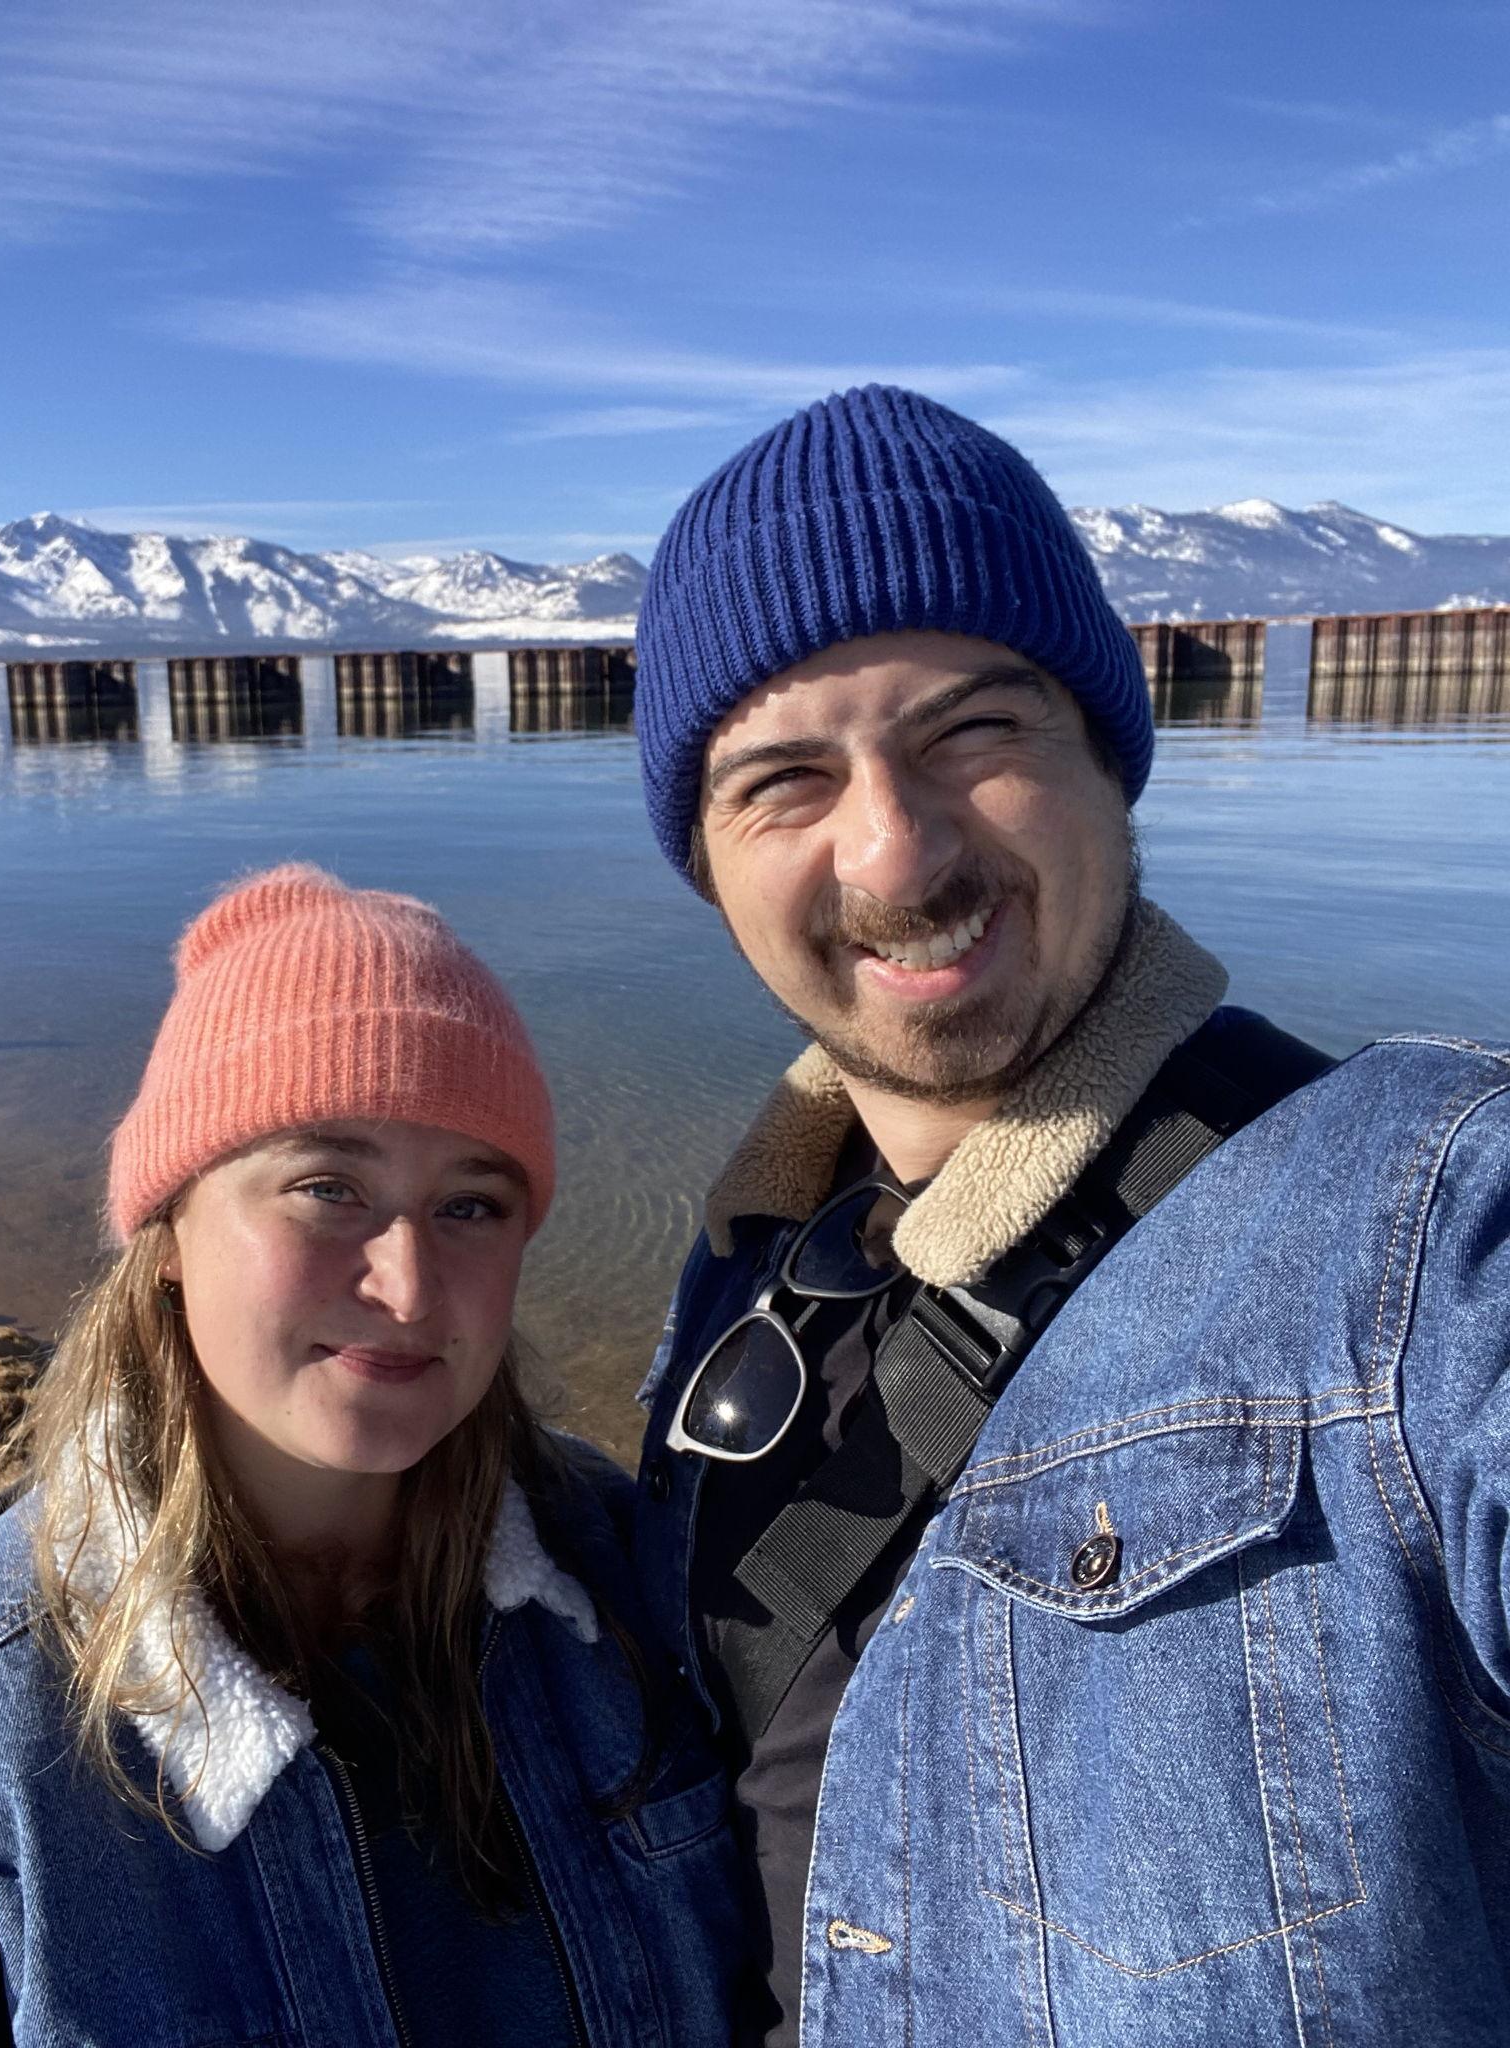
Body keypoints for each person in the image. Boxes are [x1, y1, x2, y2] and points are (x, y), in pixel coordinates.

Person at [630, 384, 1510, 2047]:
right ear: (707, 863)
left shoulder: (1413, 1221)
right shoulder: (747, 1270)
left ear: (1107, 754)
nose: (892, 850)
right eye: (781, 780)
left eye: (973, 728)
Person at [0, 864, 748, 2045]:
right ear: (168, 1235)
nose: (405, 1285)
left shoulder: (630, 1587)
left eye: (470, 1204)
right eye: (325, 1187)